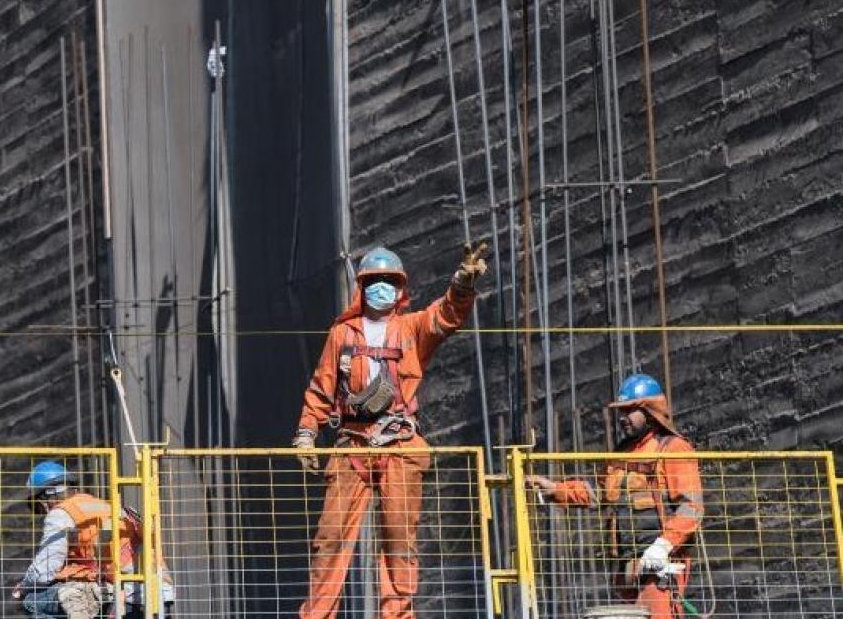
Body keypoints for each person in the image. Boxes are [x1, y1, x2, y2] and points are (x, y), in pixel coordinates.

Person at [292, 243, 487, 619]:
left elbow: (445, 316)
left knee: (399, 541)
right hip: (353, 446)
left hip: (399, 444)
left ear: (399, 288)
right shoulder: (343, 334)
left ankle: (397, 616)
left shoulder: (411, 329)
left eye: (388, 281)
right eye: (374, 280)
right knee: (331, 539)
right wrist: (306, 432)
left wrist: (462, 285)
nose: (381, 286)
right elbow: (322, 386)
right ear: (362, 286)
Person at [526, 374, 703, 619]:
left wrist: (663, 546)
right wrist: (556, 490)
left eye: (630, 411)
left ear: (650, 412)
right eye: (621, 412)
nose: (623, 419)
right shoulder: (620, 454)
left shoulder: (672, 448)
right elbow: (599, 493)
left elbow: (691, 507)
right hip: (626, 565)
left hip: (660, 564)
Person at [14, 461, 174, 619]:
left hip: (127, 596)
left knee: (32, 601)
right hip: (159, 594)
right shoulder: (104, 506)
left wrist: (25, 585)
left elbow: (45, 569)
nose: (42, 512)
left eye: (39, 507)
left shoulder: (61, 513)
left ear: (46, 497)